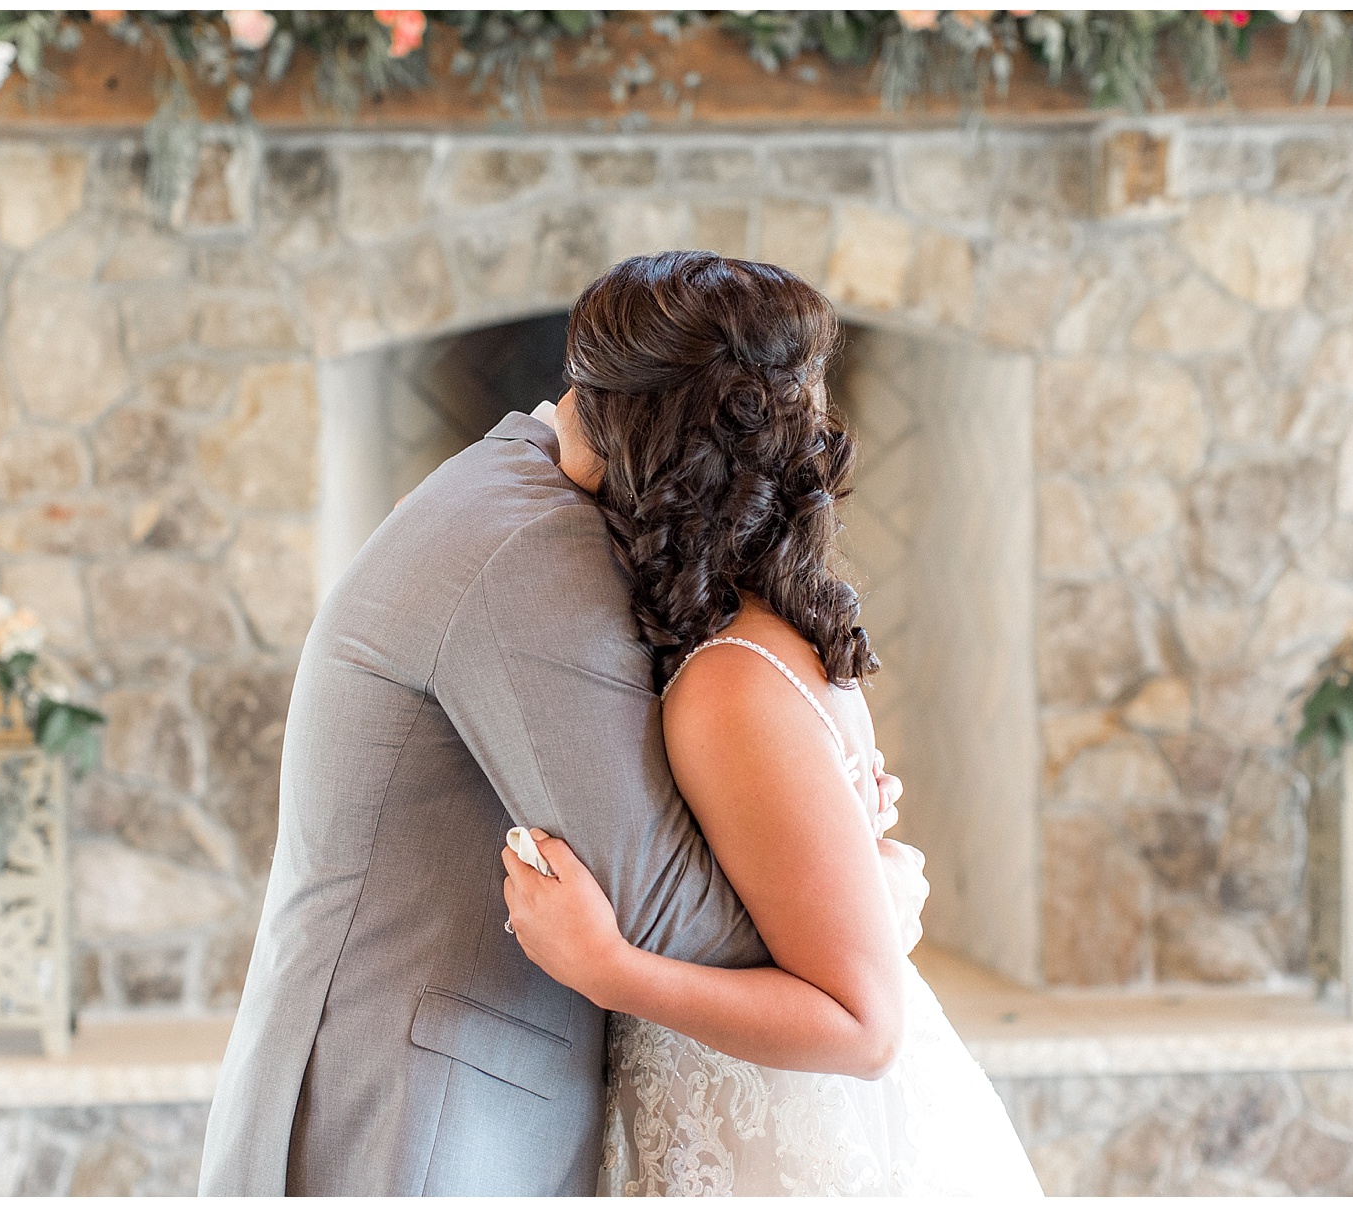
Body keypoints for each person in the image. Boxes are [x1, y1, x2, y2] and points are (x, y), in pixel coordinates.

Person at [197, 251, 922, 1192]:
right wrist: (863, 884)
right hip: (405, 1122)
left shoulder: (557, 515)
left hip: (446, 1107)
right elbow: (662, 910)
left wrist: (831, 876)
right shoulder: (525, 538)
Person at [501, 251, 1043, 1196]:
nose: (558, 411)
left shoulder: (728, 686)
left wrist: (607, 968)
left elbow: (862, 1026)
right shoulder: (766, 625)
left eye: (582, 386)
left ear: (643, 434)